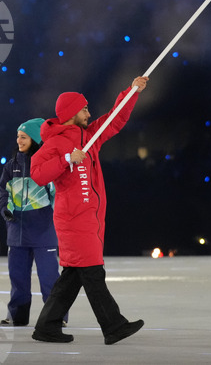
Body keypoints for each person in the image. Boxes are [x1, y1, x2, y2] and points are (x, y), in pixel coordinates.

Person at [29, 78, 148, 345]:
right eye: (84, 110)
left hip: (89, 217)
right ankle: (113, 326)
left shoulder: (90, 136)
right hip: (73, 219)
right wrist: (67, 159)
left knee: (73, 275)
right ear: (72, 114)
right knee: (93, 271)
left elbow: (114, 120)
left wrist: (132, 91)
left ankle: (47, 327)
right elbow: (37, 173)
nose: (89, 113)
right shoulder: (56, 143)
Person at [0, 118, 60, 327]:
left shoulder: (47, 164)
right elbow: (2, 194)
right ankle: (17, 316)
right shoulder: (11, 166)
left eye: (23, 137)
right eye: (18, 136)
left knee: (50, 279)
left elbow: (57, 195)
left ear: (35, 138)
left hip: (44, 232)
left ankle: (55, 317)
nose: (19, 140)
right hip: (17, 233)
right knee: (18, 279)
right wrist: (5, 208)